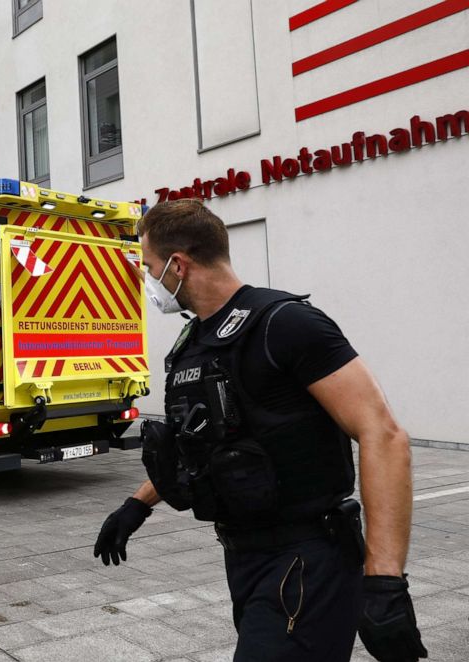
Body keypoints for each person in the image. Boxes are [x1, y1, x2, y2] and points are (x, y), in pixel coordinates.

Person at [93, 199, 427, 662]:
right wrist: (137, 505)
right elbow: (206, 442)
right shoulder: (195, 342)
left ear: (179, 264)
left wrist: (385, 579)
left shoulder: (284, 323)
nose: (150, 280)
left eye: (150, 267)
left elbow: (383, 434)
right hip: (246, 558)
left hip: (307, 558)